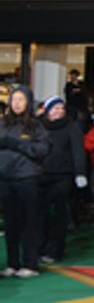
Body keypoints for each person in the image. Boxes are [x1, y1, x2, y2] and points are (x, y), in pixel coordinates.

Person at [1, 86, 49, 277]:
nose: (17, 103)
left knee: (29, 222)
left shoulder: (36, 126)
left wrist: (18, 145)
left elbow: (41, 150)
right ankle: (12, 263)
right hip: (5, 179)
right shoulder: (3, 123)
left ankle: (30, 263)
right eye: (14, 99)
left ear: (28, 102)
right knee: (10, 223)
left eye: (21, 99)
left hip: (27, 179)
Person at [38, 96, 86, 264]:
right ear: (47, 110)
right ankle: (40, 247)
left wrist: (80, 173)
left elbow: (78, 151)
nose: (58, 111)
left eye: (61, 108)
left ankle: (55, 250)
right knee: (39, 213)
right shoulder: (39, 126)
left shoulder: (71, 127)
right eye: (55, 108)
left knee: (60, 213)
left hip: (63, 176)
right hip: (40, 176)